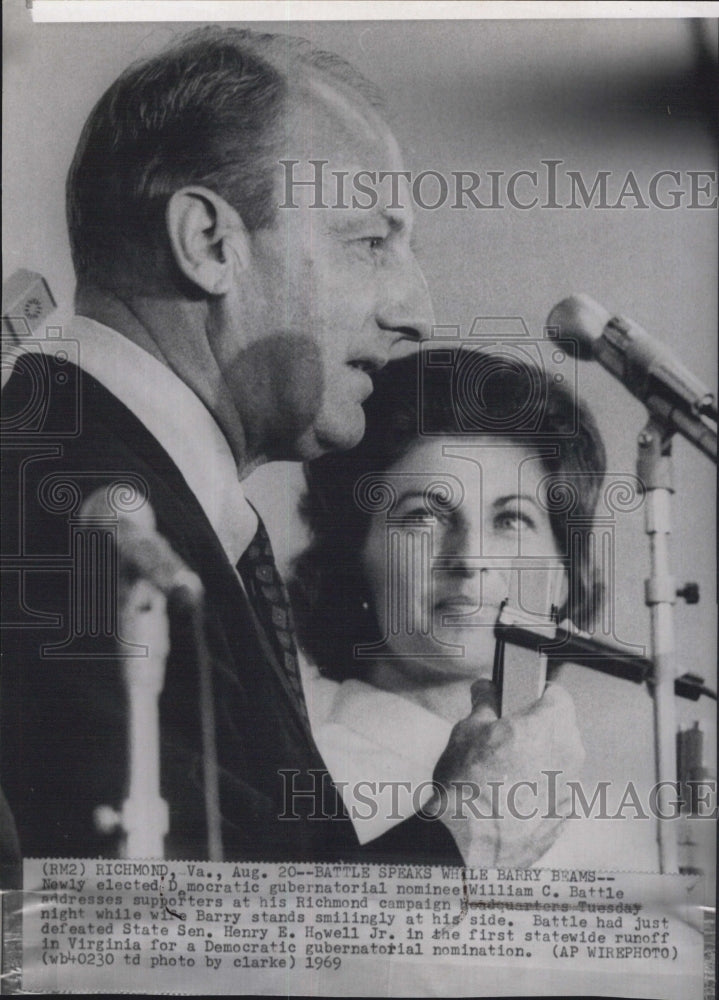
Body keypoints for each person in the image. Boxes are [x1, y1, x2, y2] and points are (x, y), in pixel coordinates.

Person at [1, 27, 582, 869]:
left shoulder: (102, 478)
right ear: (208, 242)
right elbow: (158, 954)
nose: (414, 308)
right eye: (370, 243)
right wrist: (464, 840)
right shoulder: (72, 513)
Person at [292, 346, 628, 867]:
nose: (470, 559)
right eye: (425, 515)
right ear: (352, 555)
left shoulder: (606, 826)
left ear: (565, 573)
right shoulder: (296, 775)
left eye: (511, 520)